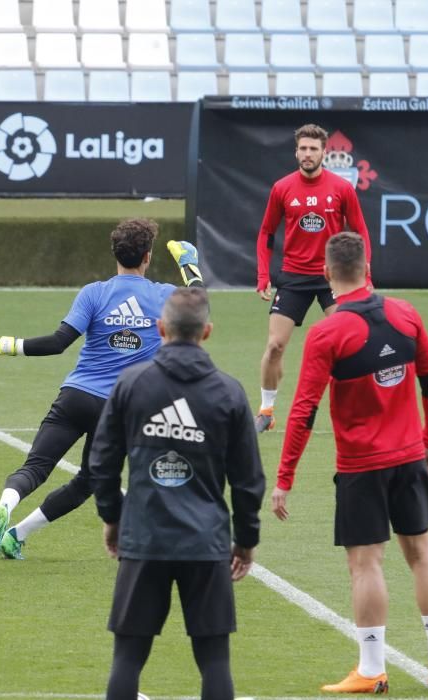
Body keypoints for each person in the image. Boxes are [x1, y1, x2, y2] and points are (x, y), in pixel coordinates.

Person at [0, 218, 204, 566]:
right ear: (148, 256)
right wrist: (188, 264)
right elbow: (198, 303)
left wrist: (2, 344)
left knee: (36, 467)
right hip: (118, 408)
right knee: (87, 480)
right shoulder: (163, 295)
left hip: (75, 396)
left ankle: (8, 514)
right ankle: (19, 533)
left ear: (114, 254)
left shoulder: (94, 292)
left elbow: (58, 343)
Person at [271, 232, 428, 693]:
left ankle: (371, 669)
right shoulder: (406, 314)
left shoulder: (328, 332)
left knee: (365, 564)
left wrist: (285, 477)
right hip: (411, 457)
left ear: (328, 274)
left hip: (361, 466)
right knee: (421, 555)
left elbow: (304, 410)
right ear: (367, 268)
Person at [90, 287, 265, 700]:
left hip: (145, 537)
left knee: (128, 657)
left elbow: (101, 461)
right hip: (205, 543)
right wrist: (246, 540)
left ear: (159, 328)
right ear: (207, 331)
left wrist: (113, 518)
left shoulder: (132, 382)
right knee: (215, 660)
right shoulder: (229, 392)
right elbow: (247, 479)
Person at [255, 123, 372, 434]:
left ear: (324, 152)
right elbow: (267, 232)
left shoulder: (342, 188)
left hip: (334, 277)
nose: (307, 154)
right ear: (296, 151)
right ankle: (266, 410)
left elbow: (360, 230)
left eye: (313, 149)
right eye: (303, 149)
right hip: (293, 277)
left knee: (349, 345)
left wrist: (365, 271)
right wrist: (263, 274)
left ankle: (354, 410)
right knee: (275, 346)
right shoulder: (282, 188)